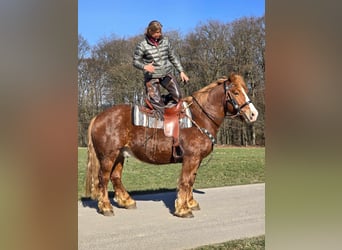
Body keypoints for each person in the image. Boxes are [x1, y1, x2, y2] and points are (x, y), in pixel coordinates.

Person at [133, 20, 189, 120]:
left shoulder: (166, 41)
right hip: (152, 77)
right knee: (159, 109)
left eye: (160, 32)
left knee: (178, 97)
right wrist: (145, 67)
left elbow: (173, 57)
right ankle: (156, 102)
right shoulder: (142, 45)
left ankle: (161, 99)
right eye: (157, 32)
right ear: (150, 31)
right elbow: (135, 61)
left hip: (166, 74)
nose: (159, 34)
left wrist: (181, 71)